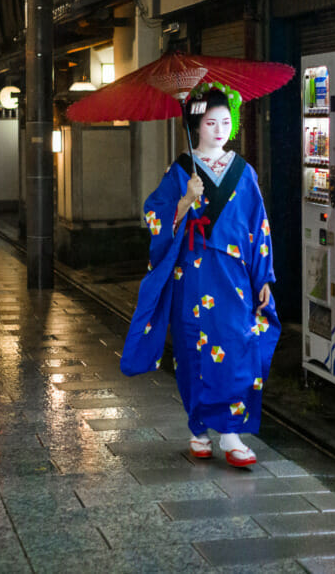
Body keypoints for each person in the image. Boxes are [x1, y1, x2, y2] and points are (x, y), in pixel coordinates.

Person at [120, 83, 279, 468]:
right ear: (196, 127)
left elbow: (260, 228)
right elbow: (154, 216)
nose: (220, 130)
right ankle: (198, 428)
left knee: (238, 344)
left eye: (226, 122)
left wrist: (264, 279)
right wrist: (184, 200)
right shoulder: (180, 172)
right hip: (192, 275)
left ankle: (230, 432)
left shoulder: (244, 173)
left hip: (234, 277)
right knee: (193, 349)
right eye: (210, 123)